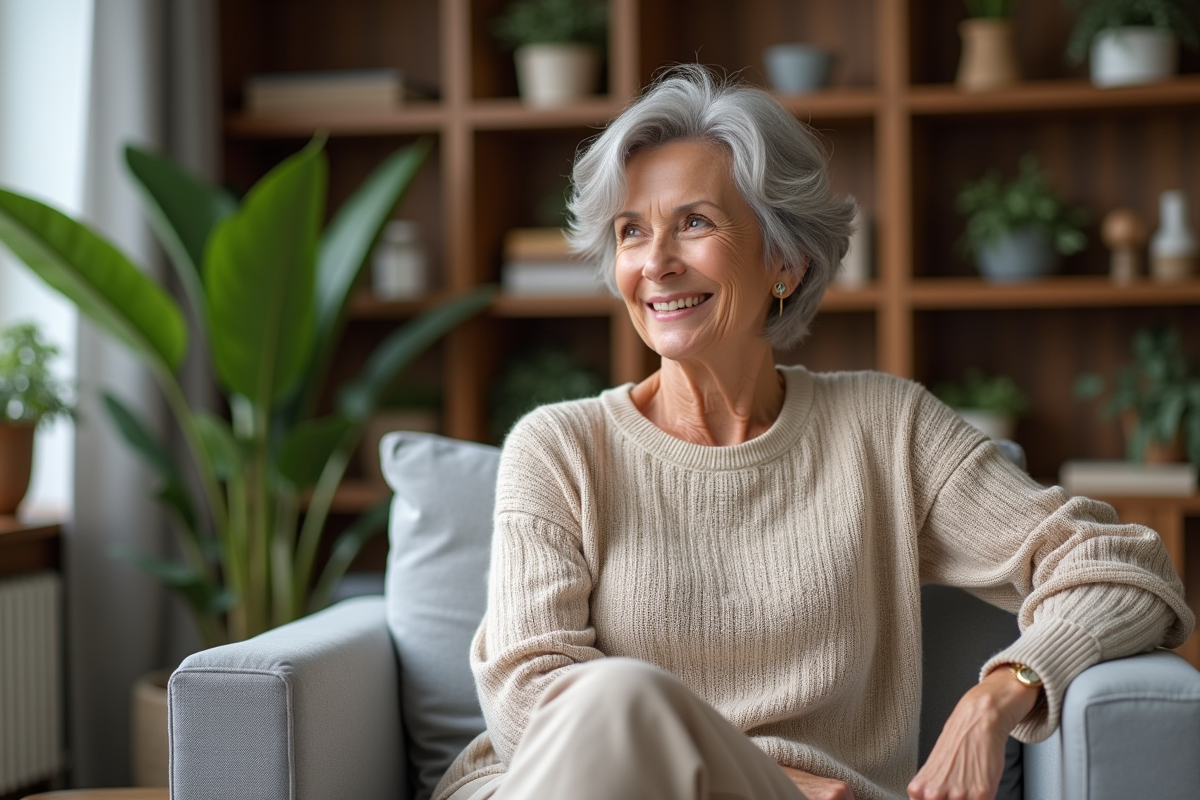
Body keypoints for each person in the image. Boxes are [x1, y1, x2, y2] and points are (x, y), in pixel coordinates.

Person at [433, 66, 1193, 800]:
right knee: (616, 697)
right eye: (632, 232)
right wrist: (749, 782)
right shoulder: (560, 447)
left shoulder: (885, 431)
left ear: (785, 263)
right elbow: (530, 693)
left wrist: (1003, 690)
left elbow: (1124, 566)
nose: (655, 263)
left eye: (693, 223)